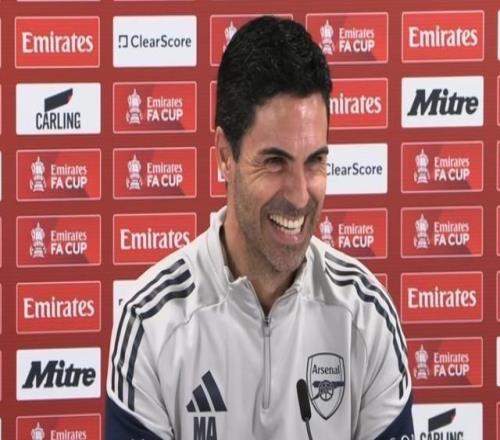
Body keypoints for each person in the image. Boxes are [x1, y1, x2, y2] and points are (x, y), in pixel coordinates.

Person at [106, 16, 414, 440]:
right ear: (224, 156)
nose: (300, 195)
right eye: (274, 162)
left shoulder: (367, 317)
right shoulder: (151, 323)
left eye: (315, 161)